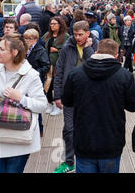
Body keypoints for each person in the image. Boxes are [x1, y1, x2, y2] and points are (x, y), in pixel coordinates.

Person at [62, 39, 135, 173]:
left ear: (96, 52)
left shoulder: (75, 74)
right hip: (111, 140)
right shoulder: (124, 76)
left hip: (84, 139)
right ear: (116, 56)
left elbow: (67, 101)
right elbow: (133, 106)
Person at [0, 33, 48, 173]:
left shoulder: (31, 75)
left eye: (1, 49)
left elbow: (42, 105)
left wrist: (21, 98)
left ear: (14, 52)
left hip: (18, 137)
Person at [52, 20, 98, 173]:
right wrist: (57, 95)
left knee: (89, 128)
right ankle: (69, 161)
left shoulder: (96, 46)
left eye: (80, 35)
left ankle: (88, 160)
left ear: (88, 33)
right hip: (70, 95)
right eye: (75, 34)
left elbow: (96, 67)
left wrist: (88, 48)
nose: (77, 37)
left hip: (90, 96)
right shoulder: (67, 47)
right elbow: (59, 70)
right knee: (69, 129)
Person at [23, 29, 51, 138]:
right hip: (24, 80)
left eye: (29, 38)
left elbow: (46, 66)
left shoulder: (40, 50)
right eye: (25, 38)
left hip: (36, 80)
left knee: (36, 104)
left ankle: (39, 129)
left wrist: (35, 72)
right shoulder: (23, 50)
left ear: (35, 39)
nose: (26, 40)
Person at [42, 16, 69, 116]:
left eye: (54, 24)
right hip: (47, 65)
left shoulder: (65, 36)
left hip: (58, 65)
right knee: (48, 85)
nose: (52, 25)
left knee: (57, 85)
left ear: (60, 25)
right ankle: (50, 103)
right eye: (51, 24)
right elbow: (41, 45)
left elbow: (68, 51)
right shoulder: (47, 35)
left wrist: (57, 50)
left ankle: (59, 106)